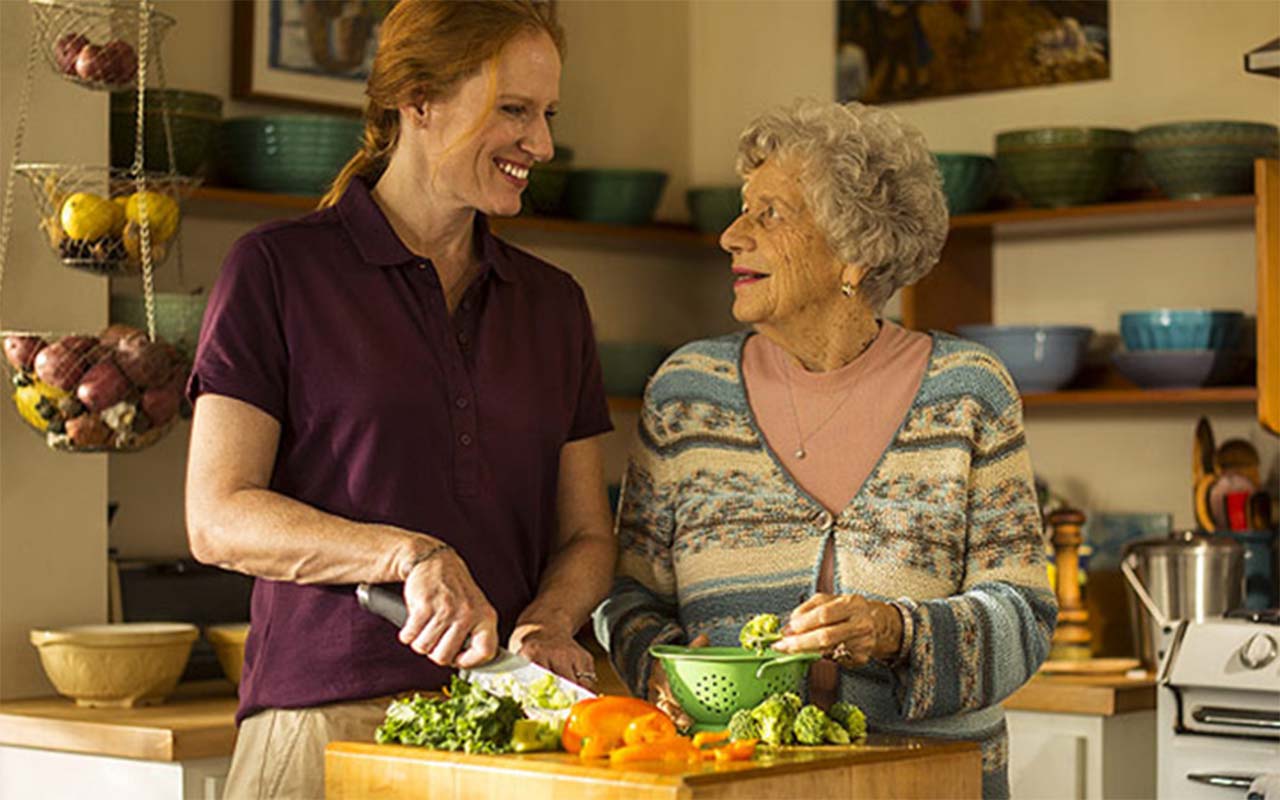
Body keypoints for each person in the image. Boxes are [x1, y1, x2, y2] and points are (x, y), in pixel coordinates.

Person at [185, 3, 616, 797]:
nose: (543, 145)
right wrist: (407, 553)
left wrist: (549, 622)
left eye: (547, 114)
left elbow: (588, 535)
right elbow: (217, 517)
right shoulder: (277, 272)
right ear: (417, 101)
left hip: (516, 727)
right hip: (326, 720)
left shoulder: (554, 305)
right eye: (513, 110)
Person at [594, 99, 1055, 800]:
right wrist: (661, 669)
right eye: (741, 211)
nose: (729, 236)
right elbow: (628, 596)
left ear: (855, 250)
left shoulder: (968, 393)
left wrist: (896, 630)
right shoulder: (689, 396)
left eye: (768, 213)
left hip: (924, 788)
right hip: (732, 782)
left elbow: (1023, 618)